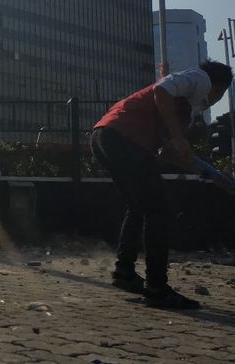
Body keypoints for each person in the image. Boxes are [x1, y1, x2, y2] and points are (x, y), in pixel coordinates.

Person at [91, 60, 233, 310]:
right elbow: (161, 91)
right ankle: (157, 289)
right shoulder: (200, 78)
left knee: (138, 206)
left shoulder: (186, 107)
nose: (216, 99)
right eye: (221, 93)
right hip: (124, 138)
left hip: (106, 136)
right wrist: (179, 138)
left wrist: (208, 172)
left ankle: (124, 272)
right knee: (157, 212)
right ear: (218, 86)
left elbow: (170, 151)